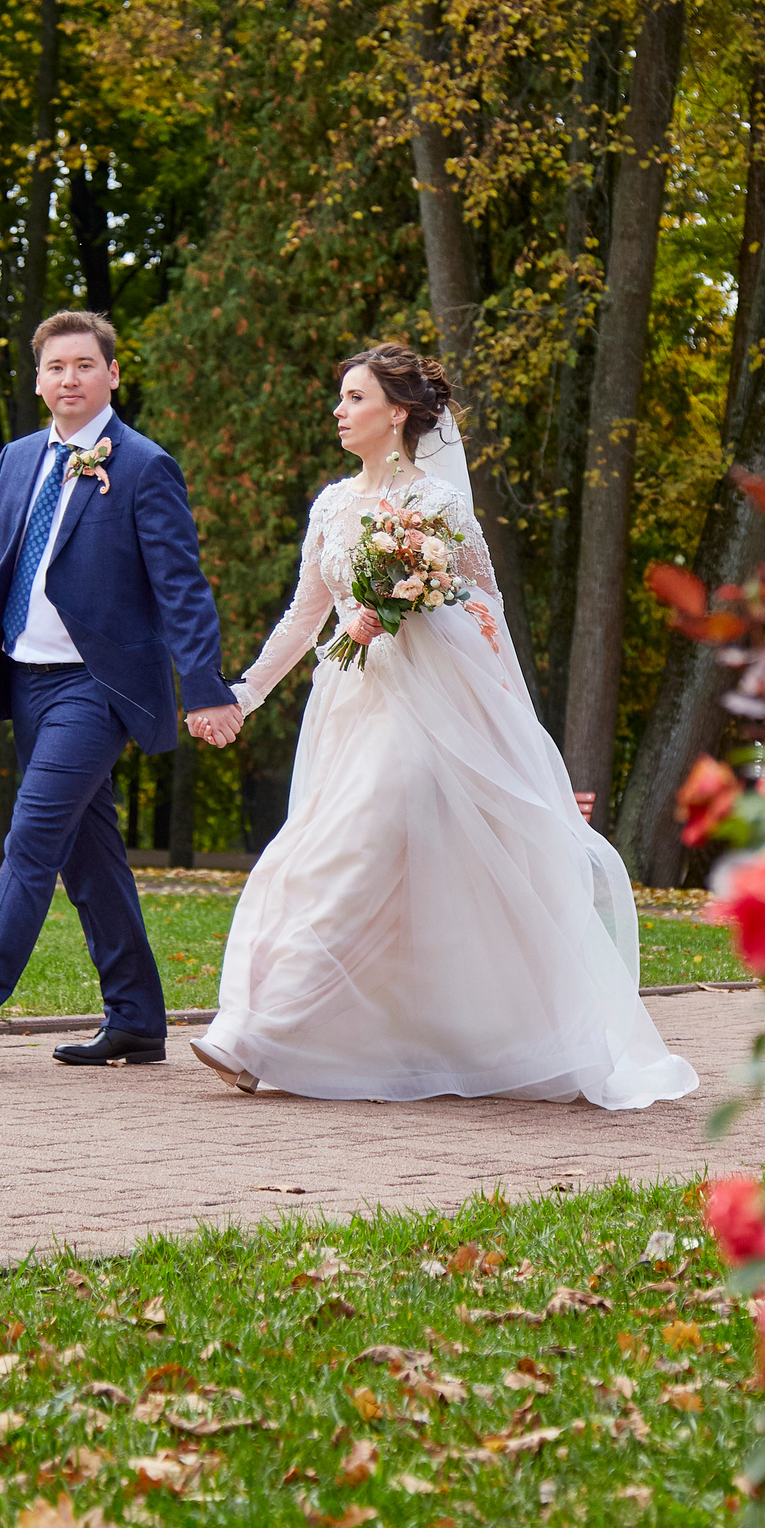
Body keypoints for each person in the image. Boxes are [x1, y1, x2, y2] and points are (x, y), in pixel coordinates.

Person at [187, 343, 698, 1110]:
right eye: (341, 397)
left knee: (354, 848)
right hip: (348, 709)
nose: (339, 410)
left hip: (424, 713)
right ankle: (356, 1037)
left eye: (354, 398)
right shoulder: (332, 505)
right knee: (310, 855)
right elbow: (304, 616)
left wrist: (410, 602)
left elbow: (484, 607)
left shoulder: (437, 506)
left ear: (396, 413)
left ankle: (252, 1034)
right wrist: (248, 691)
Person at [0, 311, 242, 1072]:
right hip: (28, 684)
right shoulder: (18, 459)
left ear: (112, 375)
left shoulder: (146, 466)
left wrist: (207, 687)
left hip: (98, 687)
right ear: (38, 379)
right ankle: (138, 1019)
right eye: (57, 367)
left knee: (32, 840)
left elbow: (181, 589)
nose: (70, 379)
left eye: (86, 365)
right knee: (90, 860)